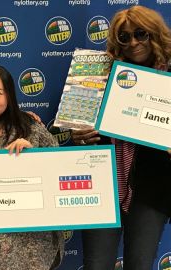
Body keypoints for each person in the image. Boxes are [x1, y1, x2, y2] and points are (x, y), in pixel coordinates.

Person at [72, 5, 171, 270]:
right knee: (96, 265)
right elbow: (75, 131)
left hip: (152, 189)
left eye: (140, 34)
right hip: (102, 184)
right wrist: (78, 135)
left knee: (140, 264)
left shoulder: (170, 76)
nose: (133, 42)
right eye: (125, 37)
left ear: (155, 34)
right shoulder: (95, 73)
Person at [0, 64, 64, 270]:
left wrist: (35, 156)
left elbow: (61, 169)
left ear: (9, 95)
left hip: (34, 247)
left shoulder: (31, 128)